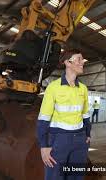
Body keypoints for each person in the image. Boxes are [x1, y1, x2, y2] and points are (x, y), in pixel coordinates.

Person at [37, 49, 91, 180]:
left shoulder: (83, 88)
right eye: (79, 59)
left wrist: (88, 134)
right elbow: (43, 119)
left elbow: (85, 115)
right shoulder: (54, 87)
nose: (82, 62)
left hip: (80, 139)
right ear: (68, 62)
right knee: (55, 176)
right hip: (59, 140)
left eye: (82, 59)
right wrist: (43, 146)